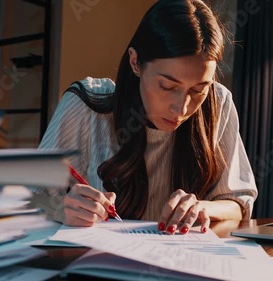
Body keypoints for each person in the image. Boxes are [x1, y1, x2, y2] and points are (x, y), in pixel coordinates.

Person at [36, 0, 257, 235]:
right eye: (167, 86)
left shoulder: (218, 103)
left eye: (198, 90)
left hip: (182, 262)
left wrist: (203, 208)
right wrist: (59, 208)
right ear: (135, 62)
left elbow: (239, 204)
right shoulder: (86, 105)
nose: (181, 109)